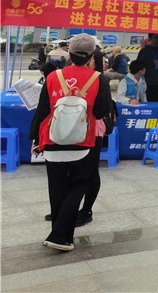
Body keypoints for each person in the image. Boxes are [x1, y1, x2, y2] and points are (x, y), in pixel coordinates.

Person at [30, 34, 111, 251]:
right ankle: (59, 235)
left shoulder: (53, 77)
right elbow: (101, 112)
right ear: (91, 56)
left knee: (56, 188)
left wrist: (36, 139)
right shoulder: (98, 79)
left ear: (69, 53)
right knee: (79, 185)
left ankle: (62, 236)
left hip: (52, 139)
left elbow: (42, 111)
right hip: (82, 142)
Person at [75, 47, 116, 228]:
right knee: (74, 171)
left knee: (91, 171)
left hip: (94, 130)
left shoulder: (99, 79)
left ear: (95, 61)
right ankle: (68, 207)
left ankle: (86, 210)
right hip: (75, 129)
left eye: (88, 58)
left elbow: (103, 108)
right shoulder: (76, 75)